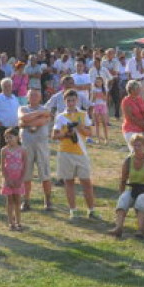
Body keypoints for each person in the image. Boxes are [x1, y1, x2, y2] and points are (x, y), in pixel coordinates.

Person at [53, 88, 99, 220]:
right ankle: (73, 210)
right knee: (69, 182)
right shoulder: (60, 117)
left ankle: (91, 210)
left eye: (73, 100)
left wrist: (79, 127)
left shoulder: (83, 115)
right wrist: (67, 133)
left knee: (86, 182)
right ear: (64, 101)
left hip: (81, 152)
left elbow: (90, 133)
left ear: (77, 101)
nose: (71, 103)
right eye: (68, 101)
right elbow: (54, 135)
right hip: (65, 152)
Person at [108, 133, 144, 239]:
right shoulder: (128, 160)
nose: (136, 148)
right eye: (134, 145)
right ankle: (118, 227)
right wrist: (121, 193)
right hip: (133, 189)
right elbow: (123, 180)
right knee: (123, 200)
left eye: (139, 145)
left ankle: (140, 229)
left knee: (141, 201)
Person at [17, 88, 54, 211]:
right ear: (27, 97)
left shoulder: (46, 109)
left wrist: (27, 122)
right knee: (26, 175)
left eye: (36, 95)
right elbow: (24, 117)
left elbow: (42, 121)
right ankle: (26, 201)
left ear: (40, 97)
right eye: (31, 95)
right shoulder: (22, 108)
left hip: (41, 145)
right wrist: (36, 116)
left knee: (45, 174)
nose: (33, 97)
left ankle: (48, 201)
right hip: (26, 145)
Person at [120, 80, 144, 149]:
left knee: (141, 151)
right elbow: (129, 117)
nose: (139, 90)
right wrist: (141, 124)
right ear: (131, 90)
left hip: (141, 128)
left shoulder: (139, 99)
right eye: (137, 89)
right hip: (131, 128)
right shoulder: (126, 101)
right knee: (135, 150)